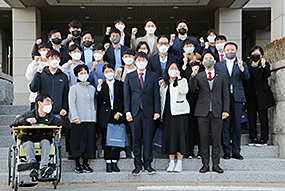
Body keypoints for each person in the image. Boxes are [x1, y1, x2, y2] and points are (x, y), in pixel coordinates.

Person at [189, 50, 229, 173]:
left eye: (210, 58)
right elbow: (191, 89)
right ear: (202, 62)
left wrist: (226, 110)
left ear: (215, 61)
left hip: (217, 111)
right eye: (205, 58)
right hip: (202, 111)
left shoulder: (221, 76)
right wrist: (193, 75)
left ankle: (216, 164)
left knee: (216, 139)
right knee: (204, 138)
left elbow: (226, 95)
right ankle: (205, 164)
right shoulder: (199, 75)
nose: (208, 60)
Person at [10, 94, 61, 180]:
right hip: (29, 139)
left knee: (46, 142)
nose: (50, 104)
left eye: (50, 102)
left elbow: (64, 126)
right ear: (40, 103)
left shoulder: (51, 117)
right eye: (47, 101)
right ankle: (32, 168)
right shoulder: (29, 114)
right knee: (28, 143)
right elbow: (12, 123)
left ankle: (43, 168)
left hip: (44, 139)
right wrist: (26, 120)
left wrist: (63, 117)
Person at [124, 52, 160, 175]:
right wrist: (127, 112)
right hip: (134, 112)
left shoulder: (153, 76)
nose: (141, 61)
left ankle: (148, 164)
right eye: (139, 59)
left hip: (149, 112)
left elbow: (156, 95)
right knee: (136, 139)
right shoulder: (130, 76)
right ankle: (137, 165)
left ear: (147, 61)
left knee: (148, 139)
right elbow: (127, 96)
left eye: (143, 59)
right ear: (135, 61)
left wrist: (157, 111)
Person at [215, 42, 250, 160]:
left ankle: (236, 151)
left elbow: (247, 77)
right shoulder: (219, 65)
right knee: (225, 125)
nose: (230, 51)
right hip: (223, 98)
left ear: (236, 51)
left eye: (232, 49)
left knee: (236, 126)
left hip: (237, 98)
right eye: (228, 49)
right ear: (224, 52)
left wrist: (242, 69)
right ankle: (226, 151)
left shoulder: (241, 63)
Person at [29, 49, 69, 147]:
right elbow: (33, 88)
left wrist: (64, 108)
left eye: (56, 58)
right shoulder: (41, 74)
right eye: (51, 57)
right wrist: (37, 74)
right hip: (42, 113)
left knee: (56, 141)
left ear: (60, 60)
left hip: (57, 113)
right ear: (47, 60)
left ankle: (55, 161)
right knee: (42, 139)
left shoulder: (63, 76)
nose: (54, 60)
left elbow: (65, 94)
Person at [160, 62, 190, 173]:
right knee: (170, 138)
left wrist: (179, 77)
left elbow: (184, 91)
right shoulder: (163, 84)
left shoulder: (182, 81)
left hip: (180, 113)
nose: (173, 70)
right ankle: (171, 161)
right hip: (167, 114)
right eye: (171, 68)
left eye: (175, 68)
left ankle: (180, 162)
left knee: (180, 137)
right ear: (167, 71)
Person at [96, 64, 125, 172]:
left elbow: (123, 99)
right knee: (106, 139)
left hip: (117, 114)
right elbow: (98, 100)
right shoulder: (102, 85)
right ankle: (108, 161)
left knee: (117, 138)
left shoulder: (120, 84)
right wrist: (98, 88)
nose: (109, 73)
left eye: (111, 70)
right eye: (107, 71)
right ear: (103, 73)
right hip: (105, 115)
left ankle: (115, 161)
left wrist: (119, 112)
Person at [245, 46, 275, 146]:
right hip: (251, 95)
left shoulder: (264, 64)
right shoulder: (247, 66)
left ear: (261, 55)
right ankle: (253, 137)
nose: (255, 55)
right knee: (251, 117)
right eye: (253, 53)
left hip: (262, 95)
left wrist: (264, 66)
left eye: (257, 53)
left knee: (263, 118)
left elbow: (267, 75)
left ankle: (263, 138)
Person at [68, 64, 96, 173]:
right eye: (81, 73)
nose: (83, 75)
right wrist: (74, 116)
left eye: (85, 73)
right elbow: (72, 104)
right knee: (77, 142)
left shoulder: (92, 88)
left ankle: (85, 163)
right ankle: (77, 164)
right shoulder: (74, 88)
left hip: (90, 119)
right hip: (78, 119)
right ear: (76, 75)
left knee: (89, 142)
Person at [181, 52, 204, 159]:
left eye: (197, 60)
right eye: (192, 60)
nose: (195, 62)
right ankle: (189, 150)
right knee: (190, 127)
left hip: (201, 101)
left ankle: (200, 151)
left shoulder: (204, 71)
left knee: (201, 127)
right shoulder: (187, 71)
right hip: (189, 101)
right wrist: (186, 66)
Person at [26, 42, 51, 110]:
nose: (45, 51)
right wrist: (35, 62)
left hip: (49, 99)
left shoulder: (53, 63)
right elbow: (29, 76)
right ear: (39, 51)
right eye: (43, 50)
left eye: (47, 49)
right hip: (36, 98)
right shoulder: (35, 63)